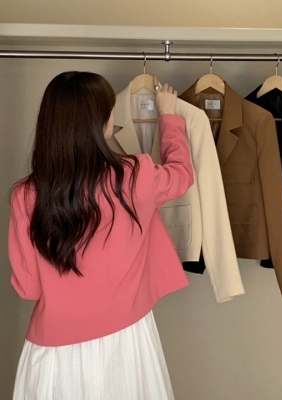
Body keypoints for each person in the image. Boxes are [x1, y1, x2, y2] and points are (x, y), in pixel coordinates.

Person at [8, 71, 194, 400]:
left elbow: (29, 287)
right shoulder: (134, 176)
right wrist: (169, 117)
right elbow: (181, 174)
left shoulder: (26, 195)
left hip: (54, 349)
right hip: (127, 340)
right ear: (101, 122)